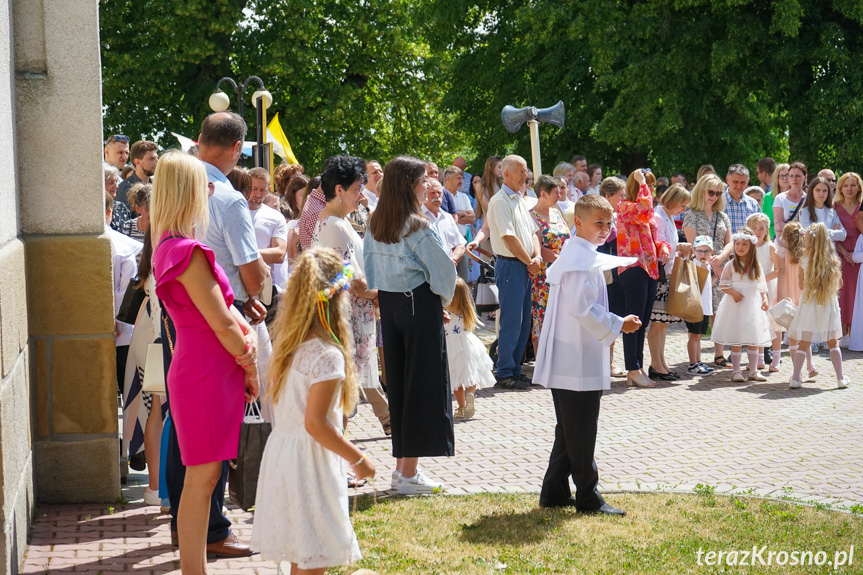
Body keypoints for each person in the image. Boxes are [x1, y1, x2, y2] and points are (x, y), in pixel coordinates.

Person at [150, 151, 259, 574]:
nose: (211, 190)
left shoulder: (170, 247)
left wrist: (243, 360)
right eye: (205, 184)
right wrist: (249, 363)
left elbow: (224, 317)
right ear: (189, 191)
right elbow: (222, 322)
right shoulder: (186, 251)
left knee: (205, 477)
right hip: (205, 371)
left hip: (205, 368)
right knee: (202, 479)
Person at [250, 248, 374, 574]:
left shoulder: (290, 348)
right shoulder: (327, 355)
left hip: (283, 454)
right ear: (336, 298)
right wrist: (358, 459)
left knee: (302, 553)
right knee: (316, 553)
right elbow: (316, 424)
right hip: (308, 462)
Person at [533, 193, 640, 515]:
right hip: (575, 355)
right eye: (599, 223)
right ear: (577, 222)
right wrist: (619, 323)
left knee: (569, 427)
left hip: (572, 351)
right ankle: (588, 496)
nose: (606, 228)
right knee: (581, 427)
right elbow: (582, 307)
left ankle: (553, 490)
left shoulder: (578, 253)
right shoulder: (579, 260)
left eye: (609, 223)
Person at [364, 155, 457, 495]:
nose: (427, 186)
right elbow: (444, 272)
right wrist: (438, 302)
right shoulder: (417, 225)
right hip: (417, 302)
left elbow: (370, 267)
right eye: (421, 181)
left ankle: (403, 468)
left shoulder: (377, 222)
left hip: (390, 306)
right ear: (408, 186)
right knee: (422, 387)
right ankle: (408, 474)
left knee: (401, 387)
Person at [312, 156, 389, 436]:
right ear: (338, 190)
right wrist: (379, 293)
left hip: (351, 315)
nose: (361, 195)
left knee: (345, 392)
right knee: (343, 392)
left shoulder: (337, 222)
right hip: (348, 317)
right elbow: (351, 281)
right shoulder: (334, 225)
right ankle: (339, 466)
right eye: (357, 189)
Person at [486, 155, 541, 390]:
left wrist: (536, 258)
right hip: (510, 265)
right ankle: (505, 370)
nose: (526, 175)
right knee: (511, 321)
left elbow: (532, 234)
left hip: (523, 265)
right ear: (505, 174)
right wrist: (531, 261)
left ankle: (515, 369)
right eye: (521, 171)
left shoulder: (520, 200)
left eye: (526, 170)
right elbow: (509, 237)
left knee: (524, 321)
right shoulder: (499, 202)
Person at [121, 227, 165, 506]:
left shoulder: (152, 252)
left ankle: (155, 488)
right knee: (160, 410)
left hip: (150, 334)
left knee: (156, 409)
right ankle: (159, 488)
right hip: (160, 336)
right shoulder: (170, 250)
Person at [616, 168, 670, 387]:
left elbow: (656, 237)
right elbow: (645, 209)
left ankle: (636, 367)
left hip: (650, 268)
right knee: (633, 321)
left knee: (642, 322)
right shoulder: (625, 207)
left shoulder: (645, 213)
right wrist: (642, 183)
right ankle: (632, 368)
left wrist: (663, 248)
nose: (650, 190)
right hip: (633, 267)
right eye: (646, 186)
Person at [787, 223, 847, 389]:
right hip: (828, 303)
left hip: (809, 304)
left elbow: (801, 285)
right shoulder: (833, 261)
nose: (803, 241)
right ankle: (840, 378)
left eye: (805, 238)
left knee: (804, 342)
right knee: (832, 342)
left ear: (811, 241)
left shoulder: (804, 261)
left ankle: (796, 378)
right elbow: (840, 284)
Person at [710, 227, 772, 382]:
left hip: (753, 305)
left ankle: (754, 370)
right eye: (737, 244)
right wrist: (734, 293)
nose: (740, 247)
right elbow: (723, 285)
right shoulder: (731, 265)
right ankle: (736, 371)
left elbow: (761, 285)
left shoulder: (755, 265)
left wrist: (764, 298)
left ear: (751, 246)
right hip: (735, 306)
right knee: (736, 339)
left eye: (744, 244)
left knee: (753, 339)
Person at [683, 174, 732, 368]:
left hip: (721, 269)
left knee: (719, 312)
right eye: (711, 192)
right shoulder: (691, 213)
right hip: (700, 269)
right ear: (701, 190)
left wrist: (721, 260)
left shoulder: (722, 215)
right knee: (699, 313)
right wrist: (713, 263)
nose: (714, 196)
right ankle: (695, 359)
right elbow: (692, 243)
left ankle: (719, 355)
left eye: (718, 193)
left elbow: (730, 242)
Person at [647, 184, 691, 380]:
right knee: (658, 322)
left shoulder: (668, 217)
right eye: (682, 205)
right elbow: (660, 244)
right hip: (660, 276)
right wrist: (679, 246)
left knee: (663, 323)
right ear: (672, 201)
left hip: (668, 273)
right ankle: (656, 364)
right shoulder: (658, 216)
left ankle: (661, 362)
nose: (683, 210)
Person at [528, 175, 571, 352]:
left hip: (564, 274)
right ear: (543, 194)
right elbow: (538, 247)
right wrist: (562, 260)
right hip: (544, 276)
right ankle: (542, 363)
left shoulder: (556, 212)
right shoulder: (532, 215)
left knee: (561, 318)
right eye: (555, 192)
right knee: (543, 317)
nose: (559, 195)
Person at [444, 278, 495, 419]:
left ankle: (461, 407)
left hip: (451, 346)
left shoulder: (445, 311)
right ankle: (471, 395)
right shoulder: (467, 310)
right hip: (469, 343)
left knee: (456, 379)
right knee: (470, 374)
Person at [775, 221, 815, 376]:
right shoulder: (806, 253)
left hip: (788, 295)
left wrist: (780, 295)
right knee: (805, 334)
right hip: (803, 295)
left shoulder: (782, 253)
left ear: (785, 238)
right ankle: (810, 365)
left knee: (792, 336)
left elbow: (782, 273)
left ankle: (796, 371)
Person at [597, 176, 627, 377]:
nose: (623, 199)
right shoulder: (598, 214)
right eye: (620, 195)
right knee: (606, 316)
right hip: (605, 272)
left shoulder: (618, 214)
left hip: (617, 271)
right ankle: (605, 363)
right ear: (608, 195)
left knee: (614, 315)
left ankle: (609, 361)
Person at [747, 213, 782, 371]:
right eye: (753, 228)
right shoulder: (747, 246)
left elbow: (779, 270)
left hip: (769, 287)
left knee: (774, 323)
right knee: (757, 323)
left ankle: (776, 358)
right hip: (753, 288)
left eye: (761, 228)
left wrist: (763, 279)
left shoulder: (770, 247)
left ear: (767, 230)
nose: (757, 232)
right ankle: (759, 359)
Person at [834, 172, 862, 344]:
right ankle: (842, 331)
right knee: (842, 293)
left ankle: (856, 332)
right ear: (840, 188)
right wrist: (845, 254)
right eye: (846, 185)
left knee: (857, 294)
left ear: (859, 187)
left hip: (860, 255)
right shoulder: (834, 206)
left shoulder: (862, 206)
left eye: (853, 185)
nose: (849, 189)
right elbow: (833, 233)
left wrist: (856, 254)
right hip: (841, 254)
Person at [423, 179, 467, 280]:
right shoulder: (417, 216)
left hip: (449, 276)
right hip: (427, 277)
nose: (437, 196)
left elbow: (460, 244)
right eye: (432, 193)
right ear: (424, 194)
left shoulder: (448, 217)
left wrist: (453, 259)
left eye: (439, 193)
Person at [686, 236, 717, 375]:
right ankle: (693, 364)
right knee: (693, 335)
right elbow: (694, 284)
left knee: (698, 336)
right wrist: (703, 270)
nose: (703, 254)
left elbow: (707, 285)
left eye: (707, 251)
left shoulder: (707, 265)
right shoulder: (692, 264)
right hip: (695, 306)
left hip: (705, 306)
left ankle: (698, 361)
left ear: (712, 252)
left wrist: (715, 276)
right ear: (694, 251)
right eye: (700, 251)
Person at [799, 175, 846, 241]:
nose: (821, 193)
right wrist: (833, 232)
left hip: (831, 251)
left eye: (824, 191)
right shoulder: (804, 212)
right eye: (818, 190)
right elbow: (809, 236)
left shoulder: (832, 212)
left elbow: (843, 234)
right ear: (812, 191)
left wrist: (819, 232)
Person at [117, 140, 159, 209]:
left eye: (156, 158)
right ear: (137, 162)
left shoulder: (157, 186)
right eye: (152, 159)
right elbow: (122, 218)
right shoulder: (125, 189)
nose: (156, 162)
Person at [773, 161, 808, 238]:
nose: (794, 179)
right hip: (784, 242)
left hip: (804, 243)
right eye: (791, 176)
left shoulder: (809, 198)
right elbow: (778, 226)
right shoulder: (780, 198)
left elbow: (811, 225)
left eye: (797, 176)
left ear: (805, 177)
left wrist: (786, 227)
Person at [723, 164, 760, 233]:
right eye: (735, 182)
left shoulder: (753, 204)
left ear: (748, 181)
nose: (739, 186)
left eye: (742, 182)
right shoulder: (718, 202)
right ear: (727, 180)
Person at [763, 162, 790, 239]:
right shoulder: (767, 197)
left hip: (793, 238)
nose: (785, 178)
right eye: (781, 176)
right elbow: (763, 222)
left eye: (787, 175)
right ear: (776, 178)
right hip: (772, 238)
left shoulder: (798, 197)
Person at [475, 155, 502, 220]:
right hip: (490, 223)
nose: (502, 170)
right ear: (491, 167)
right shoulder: (480, 186)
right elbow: (487, 206)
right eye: (500, 167)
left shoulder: (502, 184)